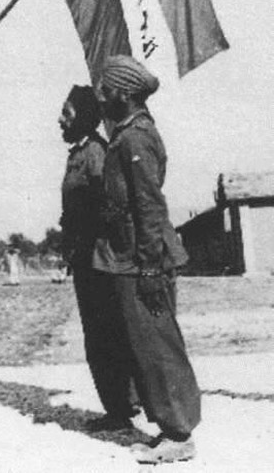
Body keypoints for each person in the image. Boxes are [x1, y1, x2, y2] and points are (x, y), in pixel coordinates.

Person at [95, 55, 200, 464]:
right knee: (145, 346)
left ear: (123, 93)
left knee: (158, 346)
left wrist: (152, 266)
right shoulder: (127, 135)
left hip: (143, 258)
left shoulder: (135, 138)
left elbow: (149, 206)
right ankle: (169, 428)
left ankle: (179, 433)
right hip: (132, 256)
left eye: (106, 89)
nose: (101, 97)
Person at [59, 85, 140, 432]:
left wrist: (86, 237)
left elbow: (109, 203)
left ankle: (122, 408)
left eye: (67, 113)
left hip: (98, 259)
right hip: (85, 257)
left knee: (106, 333)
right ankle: (118, 406)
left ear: (85, 116)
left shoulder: (95, 152)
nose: (60, 120)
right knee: (98, 334)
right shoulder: (79, 152)